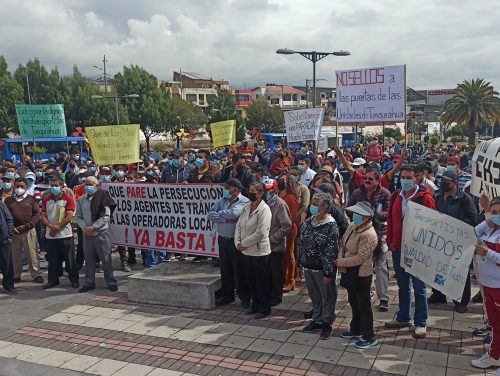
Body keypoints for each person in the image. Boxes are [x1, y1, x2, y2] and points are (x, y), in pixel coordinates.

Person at [385, 164, 435, 338]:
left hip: (417, 251)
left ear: (418, 178)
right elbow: (390, 219)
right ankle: (403, 317)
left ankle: (421, 322)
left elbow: (431, 226)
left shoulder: (425, 198)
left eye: (408, 178)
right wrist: (390, 241)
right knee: (403, 286)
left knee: (419, 287)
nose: (404, 181)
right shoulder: (395, 196)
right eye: (403, 177)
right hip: (398, 248)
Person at [427, 170, 478, 312]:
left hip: (458, 242)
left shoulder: (464, 198)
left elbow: (473, 219)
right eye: (442, 180)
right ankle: (438, 294)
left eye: (446, 181)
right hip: (439, 241)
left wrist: (453, 224)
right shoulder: (437, 196)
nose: (443, 183)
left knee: (459, 271)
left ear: (455, 183)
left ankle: (461, 300)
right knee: (437, 268)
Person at [347, 169, 391, 312]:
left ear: (378, 181)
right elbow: (348, 209)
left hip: (380, 233)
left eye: (370, 179)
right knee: (364, 265)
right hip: (361, 233)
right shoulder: (357, 193)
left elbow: (389, 212)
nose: (366, 181)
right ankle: (368, 293)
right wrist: (359, 213)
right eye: (365, 178)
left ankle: (383, 298)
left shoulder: (384, 193)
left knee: (380, 266)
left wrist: (373, 214)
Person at [337, 201, 379, 349]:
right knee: (353, 301)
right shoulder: (352, 226)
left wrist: (341, 262)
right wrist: (341, 261)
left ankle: (369, 335)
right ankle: (356, 328)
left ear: (367, 217)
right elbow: (342, 243)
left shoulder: (369, 235)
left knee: (364, 304)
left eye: (358, 214)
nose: (354, 216)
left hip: (361, 274)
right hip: (348, 270)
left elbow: (360, 258)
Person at [298, 193, 339, 340]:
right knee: (314, 295)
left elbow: (331, 251)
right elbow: (301, 242)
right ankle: (316, 319)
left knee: (327, 296)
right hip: (308, 266)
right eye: (312, 203)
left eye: (316, 204)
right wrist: (299, 263)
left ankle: (326, 323)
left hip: (322, 269)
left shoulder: (331, 226)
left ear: (324, 208)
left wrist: (328, 273)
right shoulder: (309, 221)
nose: (312, 206)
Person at [207, 178, 250, 307]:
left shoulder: (244, 201)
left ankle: (244, 297)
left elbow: (235, 213)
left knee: (239, 270)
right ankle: (228, 296)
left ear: (235, 189)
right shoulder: (222, 200)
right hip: (222, 239)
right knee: (225, 269)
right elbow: (210, 214)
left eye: (228, 188)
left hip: (235, 241)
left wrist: (219, 216)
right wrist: (225, 219)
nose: (225, 190)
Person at [234, 182, 272, 319]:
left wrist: (243, 243)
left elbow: (261, 232)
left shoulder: (265, 209)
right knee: (251, 280)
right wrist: (237, 242)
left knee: (261, 282)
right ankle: (254, 305)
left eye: (253, 191)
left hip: (259, 252)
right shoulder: (246, 207)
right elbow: (239, 225)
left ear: (261, 193)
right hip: (246, 251)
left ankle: (264, 308)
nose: (250, 193)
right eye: (249, 190)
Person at [471, 196, 500, 369]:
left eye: (499, 213)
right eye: (494, 212)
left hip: (498, 286)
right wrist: (488, 220)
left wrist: (488, 253)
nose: (496, 216)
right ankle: (494, 355)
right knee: (495, 323)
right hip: (487, 284)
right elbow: (474, 232)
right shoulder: (489, 230)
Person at [76, 176, 118, 293]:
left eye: (90, 184)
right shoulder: (82, 199)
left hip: (101, 234)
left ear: (96, 185)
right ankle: (89, 282)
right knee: (89, 260)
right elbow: (78, 216)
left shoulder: (102, 197)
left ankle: (110, 282)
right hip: (87, 234)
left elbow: (106, 216)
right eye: (86, 183)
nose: (87, 186)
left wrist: (94, 228)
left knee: (106, 260)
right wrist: (85, 228)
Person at [40, 175, 79, 289]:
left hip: (65, 234)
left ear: (62, 186)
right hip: (50, 235)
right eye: (52, 185)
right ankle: (53, 280)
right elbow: (42, 215)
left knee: (69, 259)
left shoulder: (68, 198)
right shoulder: (47, 198)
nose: (54, 187)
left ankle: (74, 280)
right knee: (52, 259)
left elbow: (69, 216)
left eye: (56, 185)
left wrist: (56, 227)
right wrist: (49, 226)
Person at [5, 177, 43, 283]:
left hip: (28, 230)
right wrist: (11, 227)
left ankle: (36, 274)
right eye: (17, 186)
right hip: (13, 231)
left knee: (32, 253)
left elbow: (36, 214)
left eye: (22, 186)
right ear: (14, 187)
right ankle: (16, 274)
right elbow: (5, 215)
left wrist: (27, 226)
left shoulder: (32, 199)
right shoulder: (8, 200)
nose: (19, 188)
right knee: (15, 254)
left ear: (26, 187)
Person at [263, 178, 292, 306]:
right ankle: (267, 294)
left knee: (276, 272)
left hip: (275, 246)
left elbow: (286, 226)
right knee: (266, 272)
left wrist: (272, 239)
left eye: (268, 190)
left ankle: (276, 295)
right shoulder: (261, 203)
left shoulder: (280, 204)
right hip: (262, 246)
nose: (265, 192)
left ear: (275, 190)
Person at [275, 176, 298, 293]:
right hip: (279, 230)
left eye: (283, 180)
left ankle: (291, 280)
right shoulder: (279, 195)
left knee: (289, 254)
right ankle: (284, 278)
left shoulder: (290, 197)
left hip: (289, 230)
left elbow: (292, 217)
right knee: (283, 255)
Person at [0, 198, 16, 293]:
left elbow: (9, 219)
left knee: (7, 263)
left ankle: (9, 285)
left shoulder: (1, 204)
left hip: (3, 239)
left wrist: (9, 235)